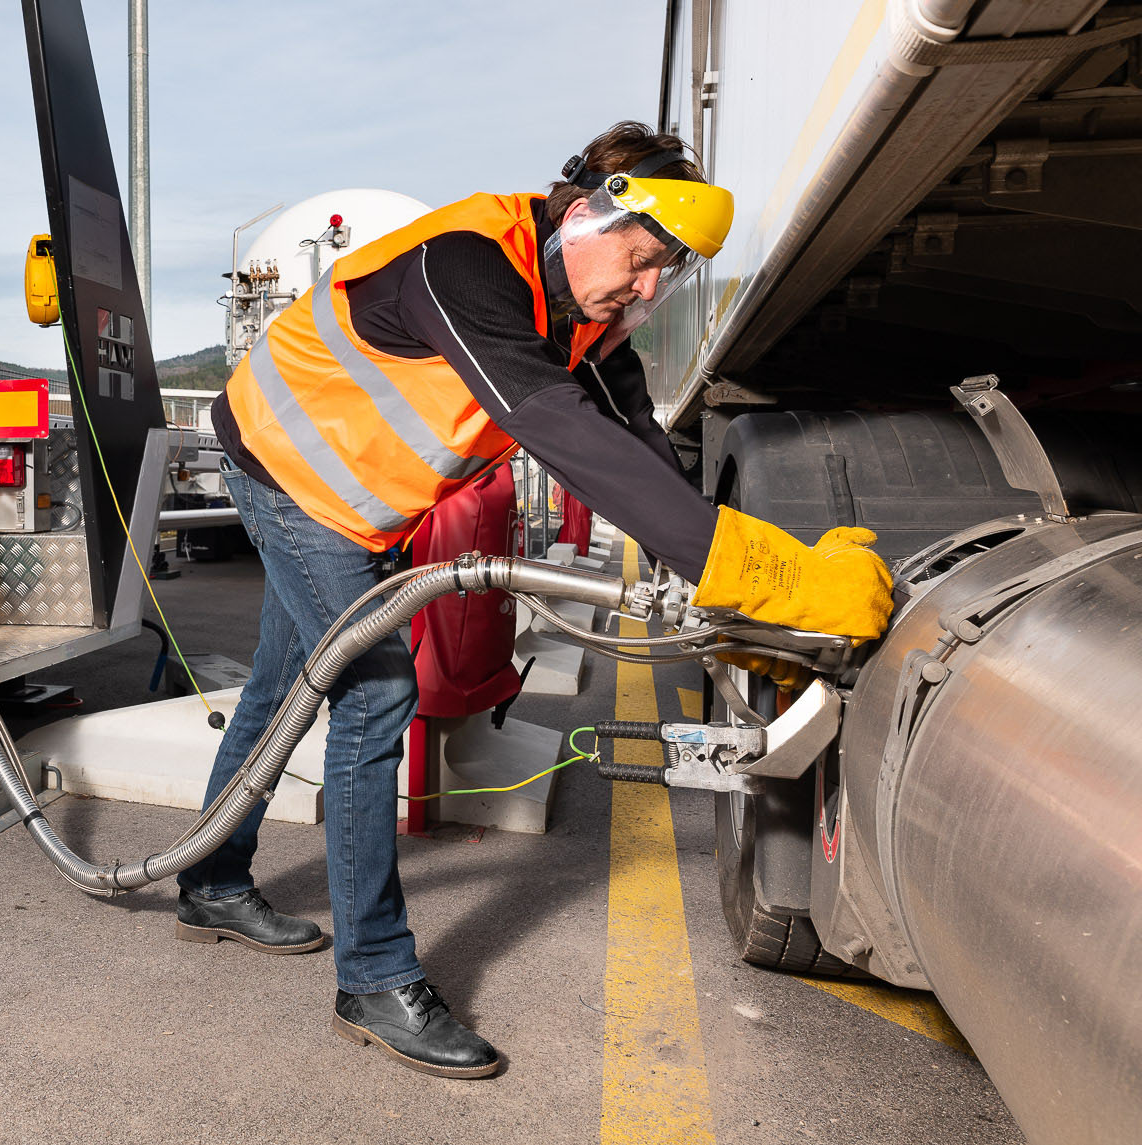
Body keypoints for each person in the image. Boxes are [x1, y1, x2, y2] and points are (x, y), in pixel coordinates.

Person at [181, 122, 893, 1079]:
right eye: (641, 260)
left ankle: (213, 878)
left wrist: (747, 595)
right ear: (587, 212)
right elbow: (549, 423)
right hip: (285, 476)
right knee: (373, 693)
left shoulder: (588, 324)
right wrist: (757, 571)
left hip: (354, 504)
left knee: (279, 687)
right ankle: (375, 976)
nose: (646, 290)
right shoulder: (463, 265)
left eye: (665, 275)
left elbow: (641, 452)